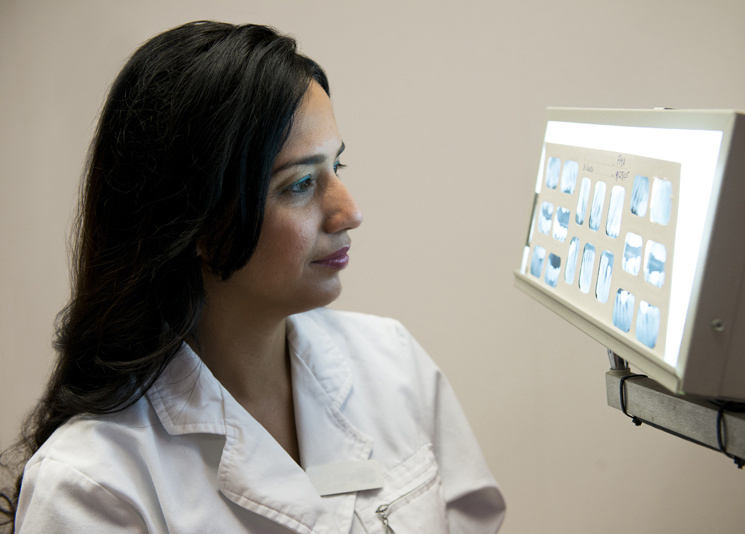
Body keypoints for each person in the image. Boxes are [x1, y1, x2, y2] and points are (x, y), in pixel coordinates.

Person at [0, 21, 505, 533]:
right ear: (192, 224)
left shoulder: (391, 363)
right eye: (301, 184)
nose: (349, 212)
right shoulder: (95, 486)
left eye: (338, 167)